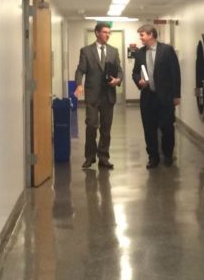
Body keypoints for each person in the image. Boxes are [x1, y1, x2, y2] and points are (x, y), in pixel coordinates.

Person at [132, 24, 181, 168]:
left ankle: (167, 155)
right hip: (148, 97)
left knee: (167, 127)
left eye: (142, 35)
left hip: (165, 97)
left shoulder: (167, 50)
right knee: (149, 128)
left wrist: (176, 95)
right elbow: (135, 72)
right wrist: (138, 81)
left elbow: (175, 73)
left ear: (151, 35)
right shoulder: (140, 53)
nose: (140, 38)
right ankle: (153, 157)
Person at [74, 22, 122, 169]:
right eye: (105, 32)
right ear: (97, 33)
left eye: (109, 32)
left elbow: (119, 71)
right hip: (92, 96)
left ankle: (103, 157)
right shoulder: (86, 51)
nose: (108, 35)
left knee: (106, 129)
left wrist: (118, 80)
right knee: (91, 126)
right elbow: (80, 70)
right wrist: (79, 84)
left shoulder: (114, 51)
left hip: (108, 95)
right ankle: (89, 157)